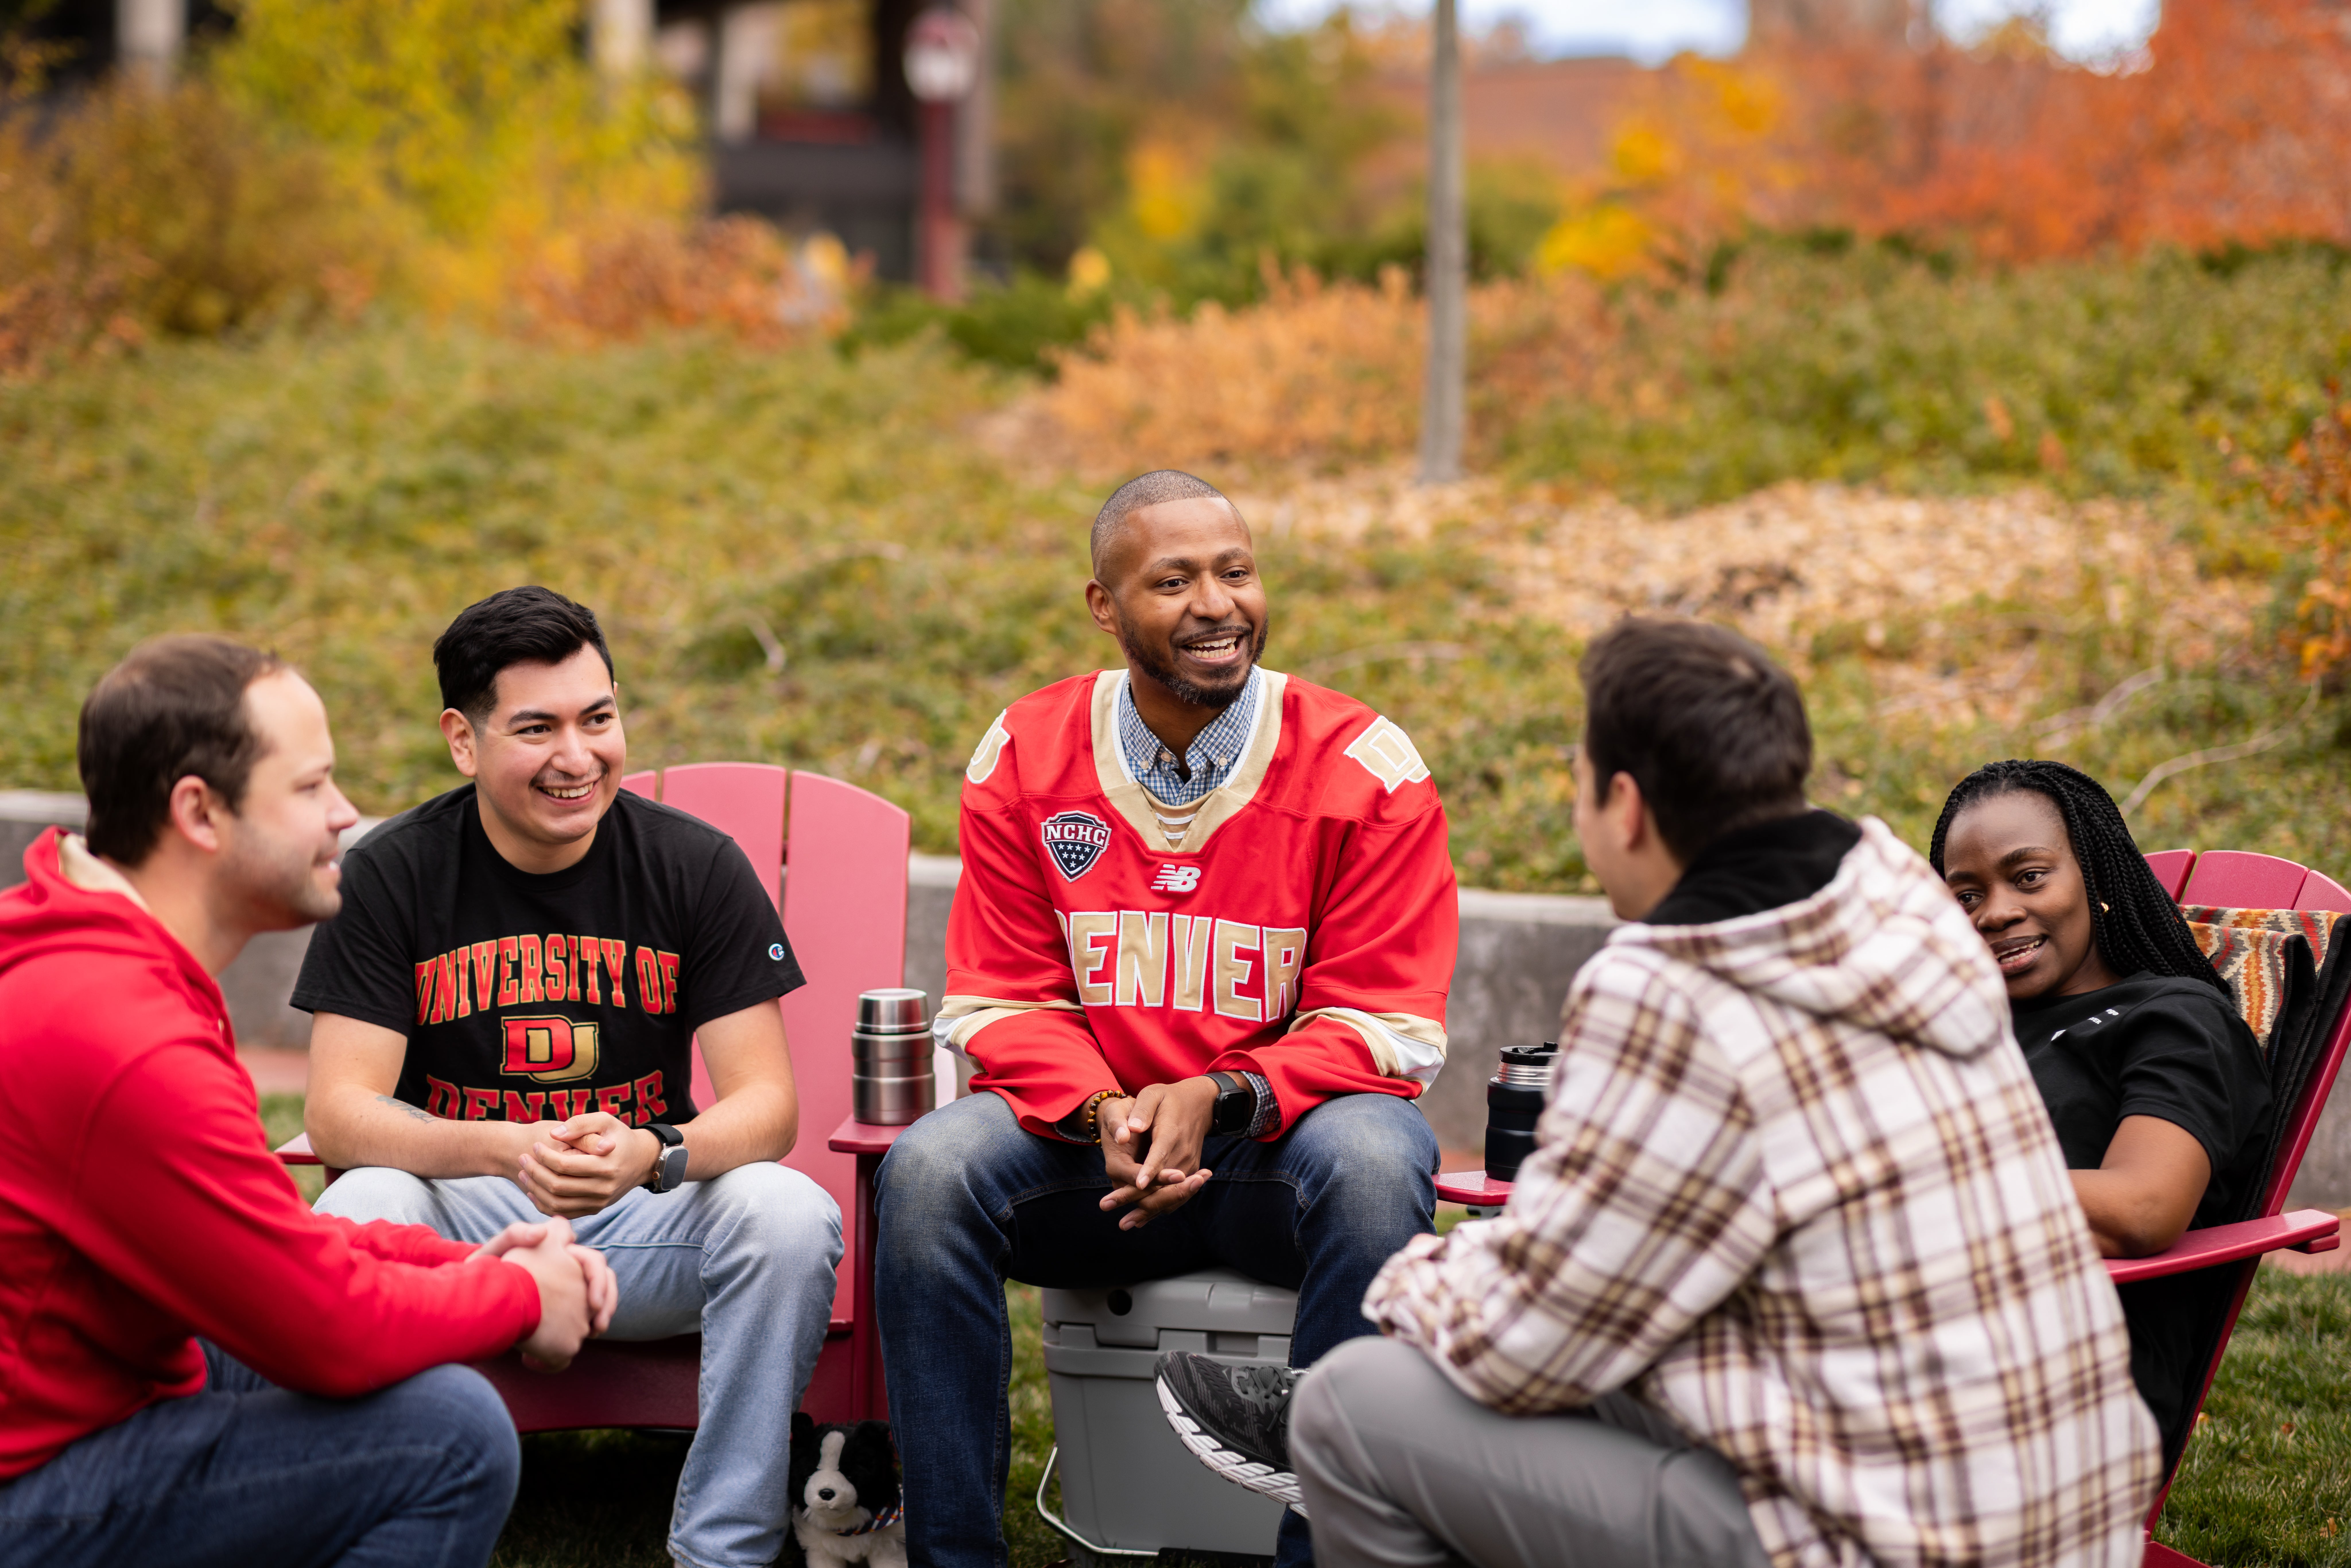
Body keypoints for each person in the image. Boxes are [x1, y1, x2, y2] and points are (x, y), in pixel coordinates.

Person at [1158, 617, 2160, 1568]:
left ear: (1627, 806)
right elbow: (1626, 1268)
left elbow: (1528, 1336)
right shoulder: (1897, 897)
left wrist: (1401, 1292)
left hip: (1881, 1536)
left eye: (1582, 786)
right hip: (2066, 1503)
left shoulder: (1670, 987)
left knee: (1353, 1403)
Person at [874, 469, 1458, 1568]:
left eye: (1236, 572)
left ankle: (1327, 1550)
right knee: (927, 1174)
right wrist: (1106, 1107)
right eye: (1174, 579)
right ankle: (951, 1554)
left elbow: (1389, 1019)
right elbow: (1000, 993)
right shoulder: (1026, 753)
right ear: (1105, 605)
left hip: (1276, 1156)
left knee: (1380, 1159)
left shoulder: (1364, 766)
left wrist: (1223, 1093)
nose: (1216, 604)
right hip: (1088, 1158)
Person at [0, 635, 617, 1568]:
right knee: (448, 1436)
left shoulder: (88, 947)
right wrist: (523, 1292)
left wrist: (454, 1261)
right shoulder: (125, 1036)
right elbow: (323, 1331)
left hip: (76, 1397)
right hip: (28, 1485)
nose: (345, 814)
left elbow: (266, 1241)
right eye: (310, 787)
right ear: (200, 812)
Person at [291, 587, 843, 1568]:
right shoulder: (392, 874)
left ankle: (725, 1549)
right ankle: (379, 1509)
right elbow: (338, 1115)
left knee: (786, 1210)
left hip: (641, 1225)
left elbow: (768, 1108)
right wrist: (498, 1147)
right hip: (467, 1229)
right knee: (360, 1201)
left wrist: (655, 1154)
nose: (579, 757)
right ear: (463, 740)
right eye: (537, 728)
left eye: (598, 718)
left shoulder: (694, 865)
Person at [1931, 757, 2269, 1471]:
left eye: (2027, 876)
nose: (1992, 911)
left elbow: (2142, 1205)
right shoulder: (1965, 1030)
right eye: (1964, 896)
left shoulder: (2175, 1018)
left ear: (2096, 876)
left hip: (2065, 1388)